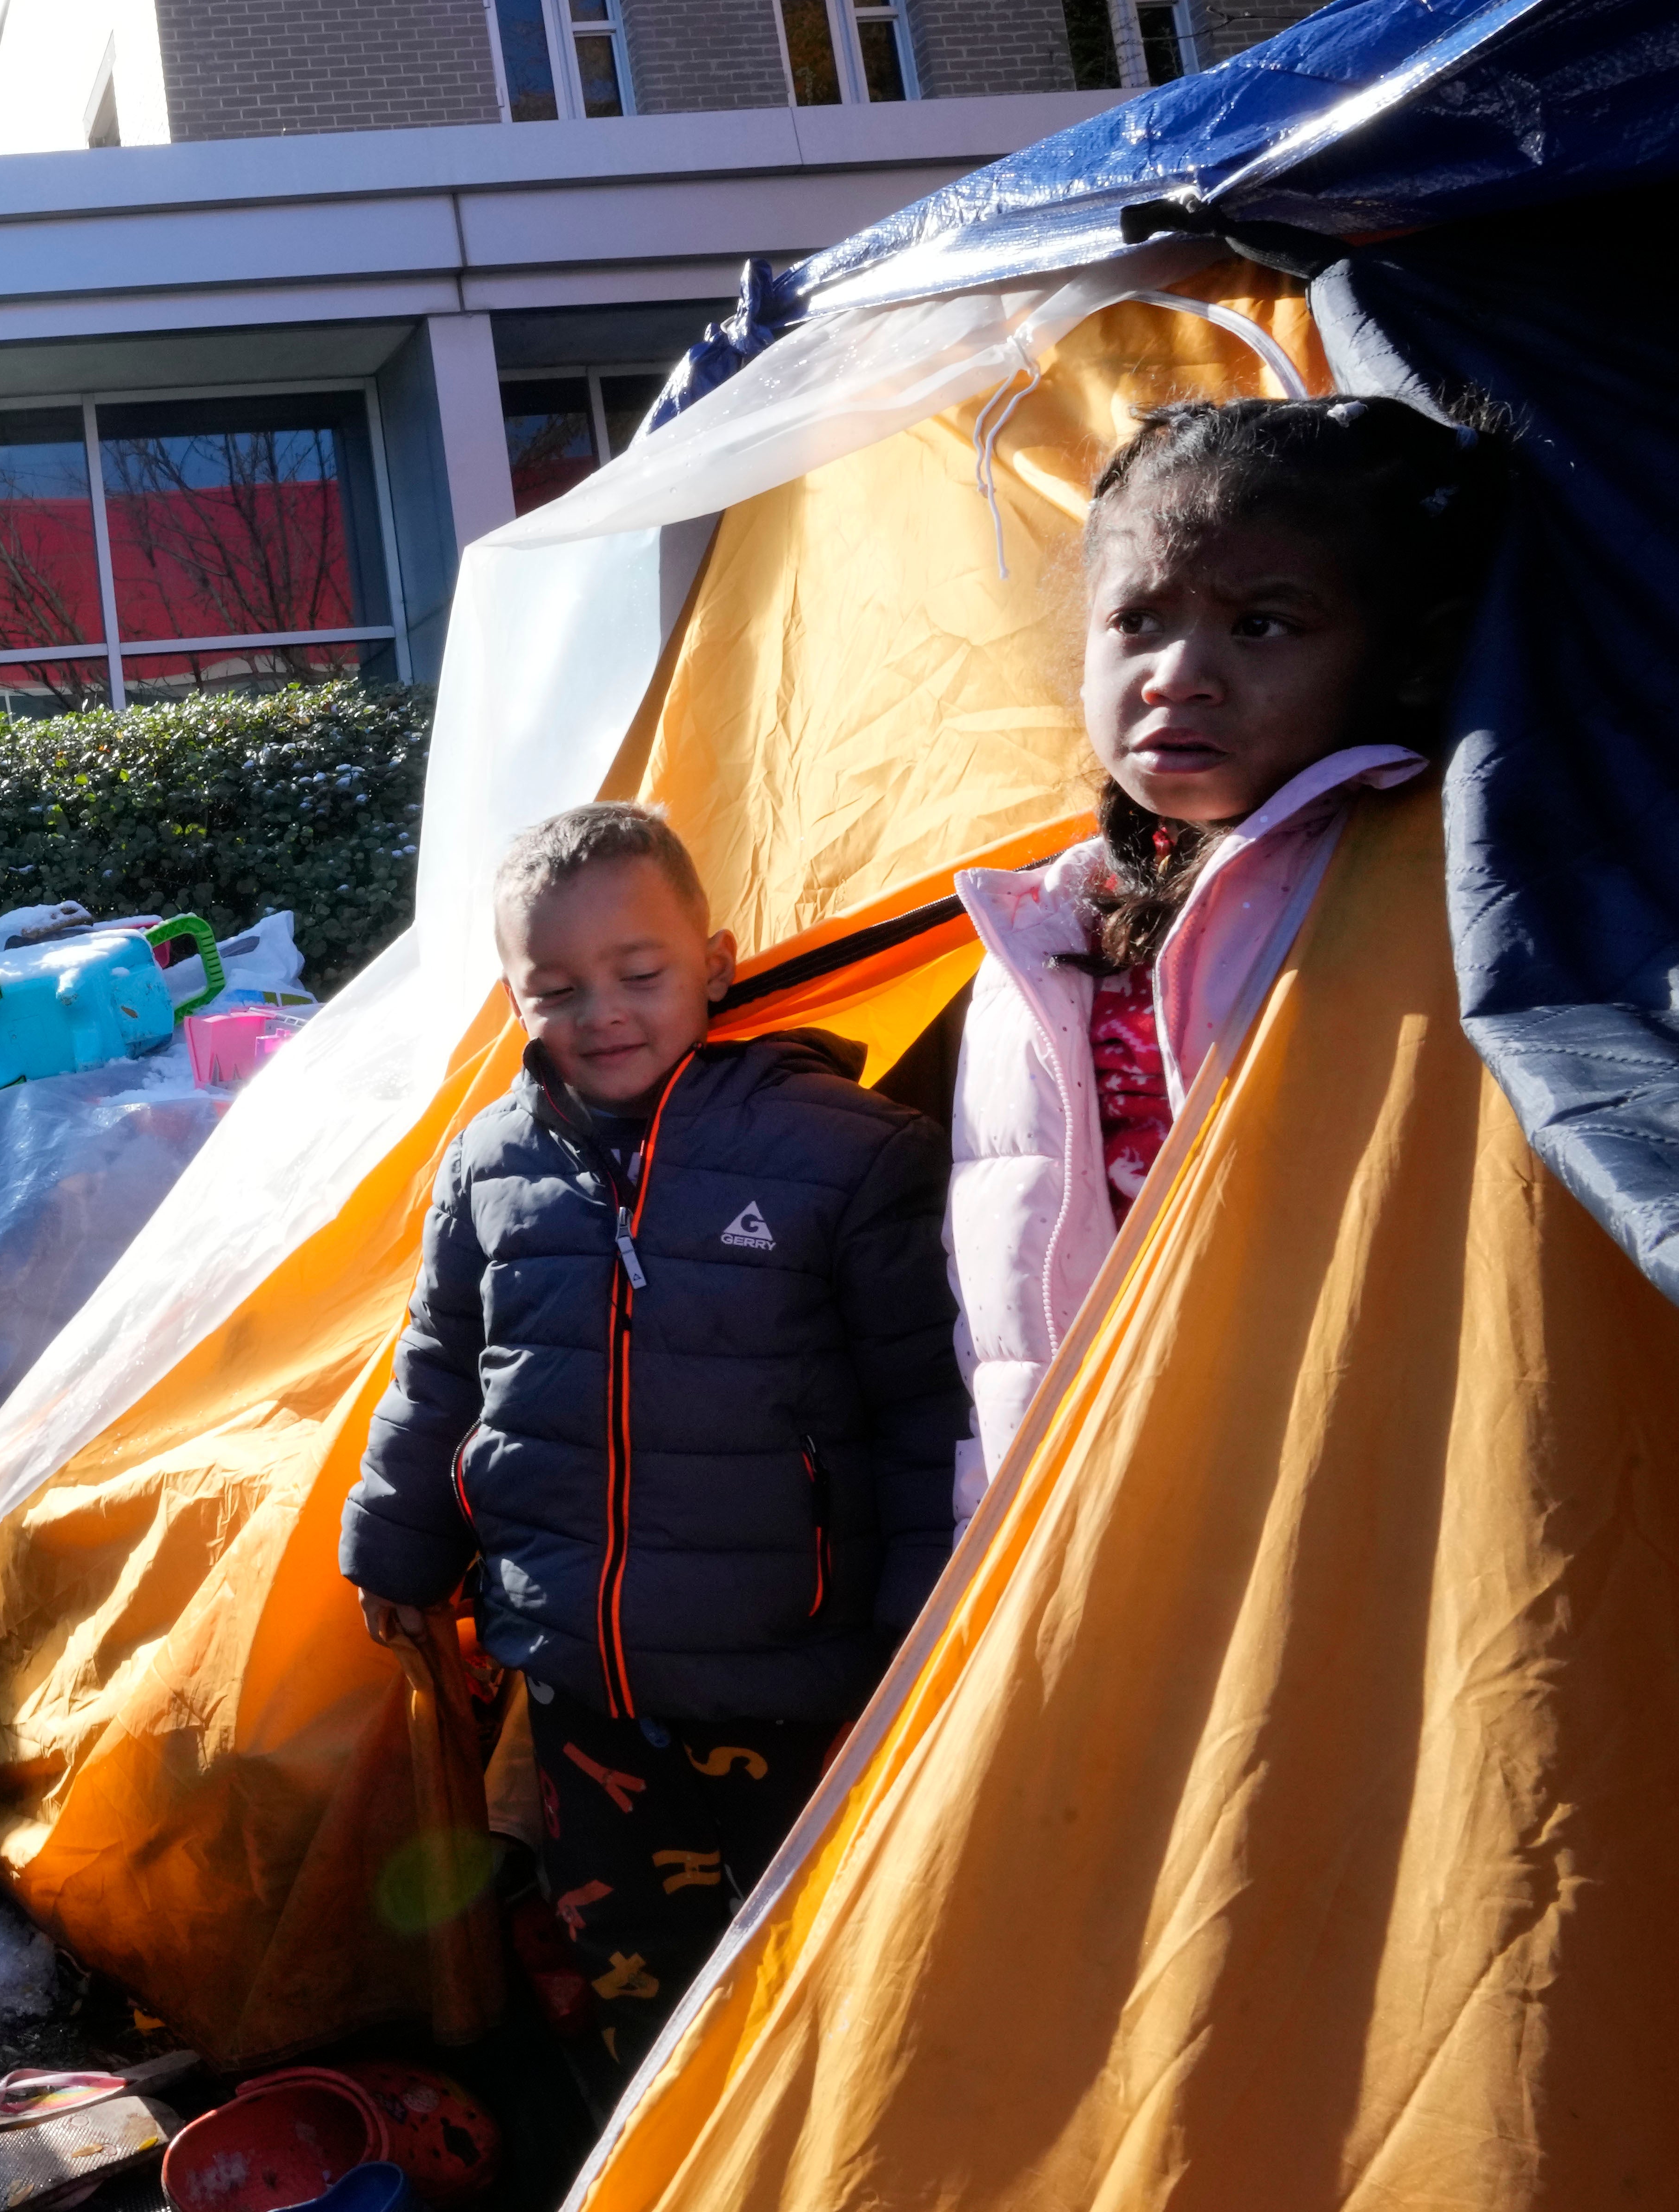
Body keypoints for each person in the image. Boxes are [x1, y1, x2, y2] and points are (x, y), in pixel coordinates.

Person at [341, 803, 960, 2094]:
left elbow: (920, 1409)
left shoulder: (838, 1151)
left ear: (718, 965)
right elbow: (439, 1368)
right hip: (580, 1682)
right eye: (556, 988)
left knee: (817, 1945)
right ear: (514, 996)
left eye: (639, 974)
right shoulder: (490, 1164)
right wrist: (393, 1540)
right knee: (629, 1951)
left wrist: (922, 1616)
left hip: (787, 1674)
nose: (601, 1014)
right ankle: (651, 2148)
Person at [947, 395, 1501, 1512]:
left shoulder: (1420, 894)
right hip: (1073, 1517)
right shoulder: (1032, 931)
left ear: (1398, 657)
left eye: (1263, 625)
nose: (1177, 673)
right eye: (1137, 621)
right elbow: (999, 1331)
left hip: (1321, 1509)